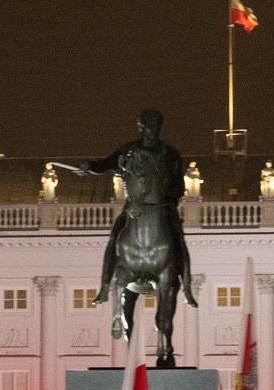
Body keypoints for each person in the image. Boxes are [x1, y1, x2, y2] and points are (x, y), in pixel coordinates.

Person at [74, 108, 195, 307]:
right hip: (134, 206)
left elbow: (179, 187)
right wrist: (89, 166)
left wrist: (164, 195)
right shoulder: (128, 151)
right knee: (115, 236)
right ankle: (105, 285)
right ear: (141, 127)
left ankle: (188, 286)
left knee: (178, 240)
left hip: (163, 207)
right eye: (148, 126)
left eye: (156, 125)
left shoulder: (170, 154)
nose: (152, 130)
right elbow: (107, 164)